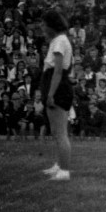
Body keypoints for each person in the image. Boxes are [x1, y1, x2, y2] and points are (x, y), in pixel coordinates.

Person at [40, 10, 74, 181]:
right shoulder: (58, 40)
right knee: (56, 131)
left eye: (45, 25)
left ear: (52, 25)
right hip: (55, 83)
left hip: (58, 87)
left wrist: (51, 94)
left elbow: (58, 70)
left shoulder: (60, 41)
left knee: (60, 132)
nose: (43, 28)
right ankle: (59, 165)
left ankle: (64, 171)